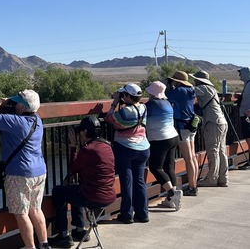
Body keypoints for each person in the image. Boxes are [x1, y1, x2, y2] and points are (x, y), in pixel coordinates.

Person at [0, 90, 49, 249]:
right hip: (39, 171)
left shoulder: (16, 122)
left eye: (17, 102)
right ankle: (44, 244)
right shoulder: (37, 120)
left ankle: (30, 247)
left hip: (20, 173)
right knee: (35, 209)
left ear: (22, 105)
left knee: (21, 213)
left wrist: (1, 103)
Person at [48, 116, 116, 248]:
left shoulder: (88, 150)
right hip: (109, 195)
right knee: (76, 190)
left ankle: (63, 235)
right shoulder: (107, 146)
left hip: (93, 196)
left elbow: (73, 168)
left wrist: (73, 147)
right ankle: (79, 230)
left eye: (80, 132)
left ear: (84, 132)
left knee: (58, 191)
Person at [105, 83, 150, 224]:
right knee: (140, 181)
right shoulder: (144, 107)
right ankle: (143, 213)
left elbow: (109, 119)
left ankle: (127, 214)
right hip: (143, 147)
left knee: (127, 182)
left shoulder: (125, 112)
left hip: (126, 148)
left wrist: (114, 104)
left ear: (126, 96)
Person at [144, 81, 182, 210]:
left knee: (156, 168)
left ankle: (172, 194)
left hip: (159, 139)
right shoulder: (167, 103)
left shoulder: (149, 105)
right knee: (169, 168)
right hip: (173, 136)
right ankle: (171, 200)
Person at [190, 70, 229, 187]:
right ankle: (223, 178)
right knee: (221, 151)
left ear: (199, 80)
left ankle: (211, 179)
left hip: (213, 123)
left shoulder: (203, 88)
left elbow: (188, 91)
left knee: (213, 151)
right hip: (221, 122)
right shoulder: (212, 89)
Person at [166, 71, 198, 196]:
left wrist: (168, 86)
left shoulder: (179, 91)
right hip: (190, 125)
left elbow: (164, 96)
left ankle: (192, 187)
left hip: (181, 126)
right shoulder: (191, 90)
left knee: (188, 158)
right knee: (193, 156)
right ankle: (193, 185)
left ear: (177, 81)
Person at [236, 67, 250, 169]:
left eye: (240, 74)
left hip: (247, 115)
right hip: (244, 114)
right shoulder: (247, 84)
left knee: (249, 138)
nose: (239, 76)